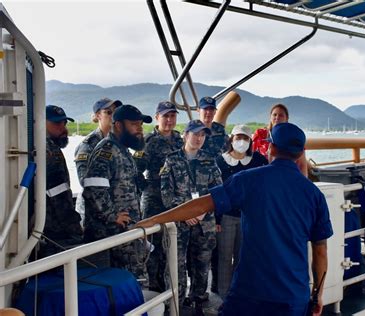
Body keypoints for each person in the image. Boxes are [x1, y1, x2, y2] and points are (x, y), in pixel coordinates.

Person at [137, 122, 333, 316]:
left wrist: (155, 219)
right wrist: (317, 294)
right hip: (292, 295)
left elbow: (203, 204)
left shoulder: (249, 179)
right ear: (301, 152)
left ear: (271, 147)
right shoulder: (314, 195)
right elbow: (320, 251)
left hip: (250, 291)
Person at [82, 104, 152, 284]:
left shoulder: (123, 151)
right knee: (119, 284)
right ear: (119, 125)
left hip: (127, 233)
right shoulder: (106, 150)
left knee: (133, 282)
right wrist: (111, 216)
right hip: (112, 236)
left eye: (141, 125)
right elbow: (92, 187)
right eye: (134, 124)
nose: (139, 129)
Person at [160, 119, 222, 313]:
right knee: (176, 265)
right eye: (195, 134)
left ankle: (198, 303)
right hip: (178, 224)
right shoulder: (171, 160)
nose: (199, 138)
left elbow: (219, 191)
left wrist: (203, 211)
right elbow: (165, 193)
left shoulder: (210, 160)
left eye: (202, 135)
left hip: (205, 224)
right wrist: (184, 213)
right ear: (185, 135)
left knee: (202, 266)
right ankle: (176, 306)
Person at [133, 101, 183, 292]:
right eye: (165, 116)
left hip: (175, 200)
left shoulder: (180, 140)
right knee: (153, 245)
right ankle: (154, 288)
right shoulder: (148, 141)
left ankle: (171, 288)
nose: (169, 120)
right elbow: (135, 170)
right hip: (153, 199)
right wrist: (146, 186)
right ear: (157, 118)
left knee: (172, 243)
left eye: (172, 116)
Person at [214, 124, 268, 298]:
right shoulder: (220, 161)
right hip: (226, 216)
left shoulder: (258, 160)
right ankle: (224, 295)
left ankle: (239, 293)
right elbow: (215, 190)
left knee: (242, 257)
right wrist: (216, 220)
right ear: (231, 139)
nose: (241, 141)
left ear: (250, 141)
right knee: (223, 257)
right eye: (238, 137)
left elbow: (263, 189)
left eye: (245, 138)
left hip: (248, 217)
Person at [42, 105, 82, 258]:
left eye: (64, 123)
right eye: (57, 124)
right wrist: (73, 225)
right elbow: (58, 194)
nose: (63, 128)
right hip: (56, 228)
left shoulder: (48, 147)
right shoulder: (48, 151)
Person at [74, 98, 122, 185]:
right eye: (109, 112)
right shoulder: (89, 144)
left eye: (116, 112)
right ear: (98, 115)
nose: (113, 115)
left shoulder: (119, 142)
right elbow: (85, 181)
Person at [252, 103, 309, 176]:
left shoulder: (293, 136)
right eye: (274, 114)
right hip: (261, 175)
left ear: (287, 118)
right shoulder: (260, 134)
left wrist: (303, 183)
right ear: (270, 117)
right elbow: (251, 157)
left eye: (281, 115)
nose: (277, 117)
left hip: (286, 176)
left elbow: (301, 164)